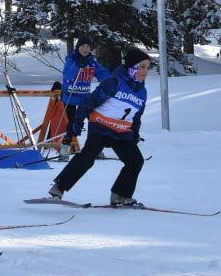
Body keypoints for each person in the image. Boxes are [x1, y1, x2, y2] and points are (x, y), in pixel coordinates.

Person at [48, 47, 151, 207]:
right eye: (142, 66)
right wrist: (78, 121)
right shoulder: (114, 82)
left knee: (135, 161)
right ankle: (59, 188)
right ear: (131, 67)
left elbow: (136, 117)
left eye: (147, 67)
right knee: (88, 157)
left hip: (121, 132)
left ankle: (120, 195)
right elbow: (89, 102)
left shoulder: (142, 92)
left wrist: (135, 134)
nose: (145, 71)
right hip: (101, 127)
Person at [59, 37, 109, 160]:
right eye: (83, 46)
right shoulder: (71, 59)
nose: (85, 49)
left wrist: (112, 75)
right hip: (70, 97)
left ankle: (94, 149)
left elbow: (102, 75)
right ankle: (65, 149)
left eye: (88, 47)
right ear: (78, 47)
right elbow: (67, 75)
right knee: (71, 123)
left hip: (84, 97)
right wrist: (77, 65)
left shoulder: (92, 62)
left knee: (94, 122)